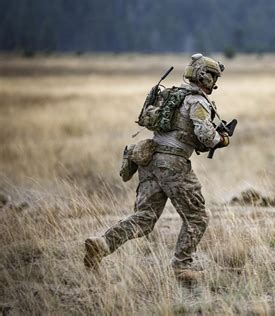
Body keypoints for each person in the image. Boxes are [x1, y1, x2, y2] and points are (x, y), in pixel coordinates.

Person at [83, 54, 229, 279]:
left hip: (149, 159)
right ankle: (182, 266)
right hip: (173, 164)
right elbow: (205, 135)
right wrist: (222, 140)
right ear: (204, 76)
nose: (215, 83)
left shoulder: (171, 94)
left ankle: (102, 244)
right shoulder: (196, 101)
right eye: (213, 77)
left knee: (145, 217)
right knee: (198, 217)